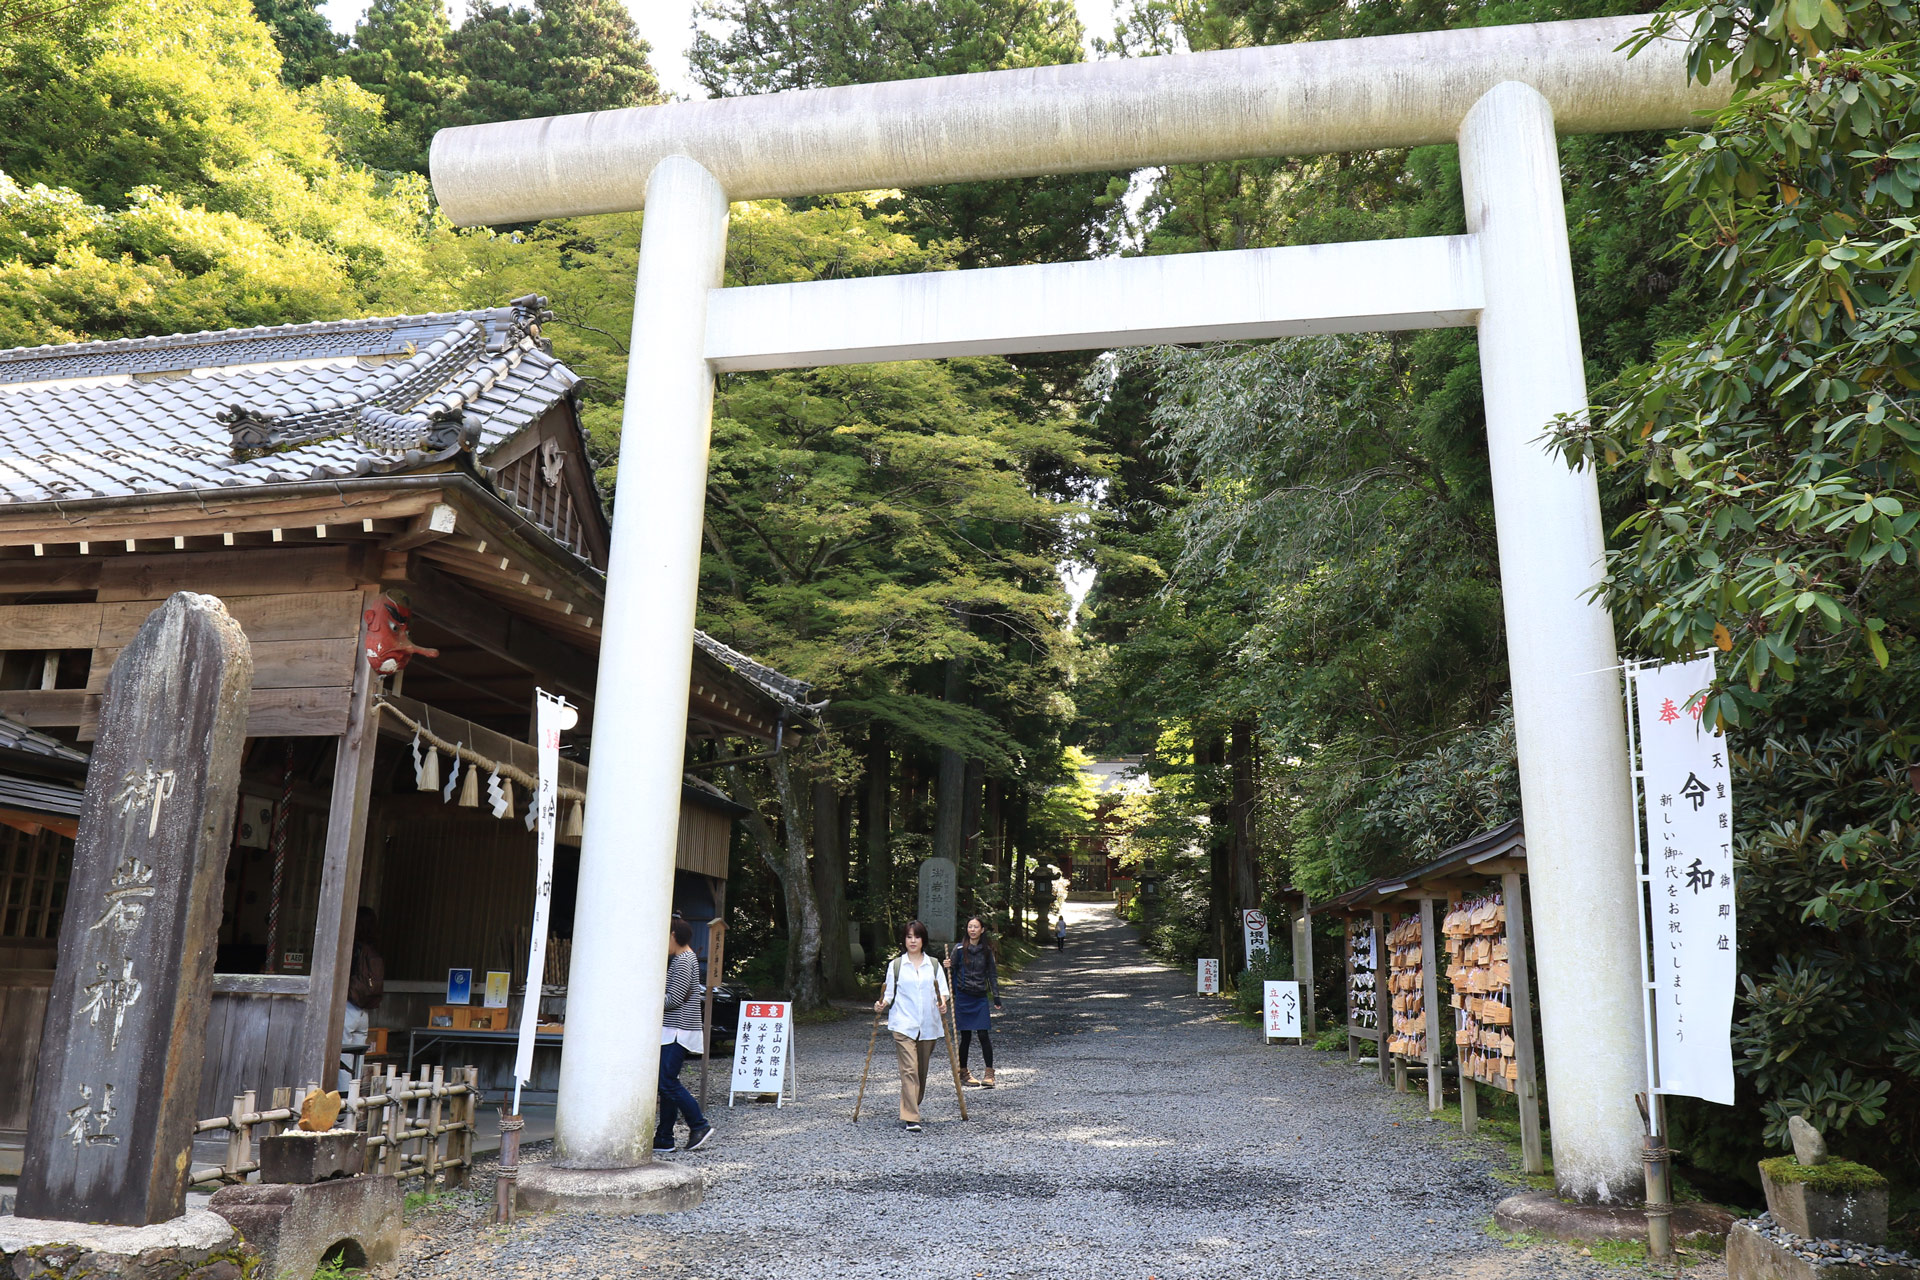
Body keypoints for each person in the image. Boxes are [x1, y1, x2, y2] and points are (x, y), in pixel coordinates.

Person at [874, 919, 950, 1132]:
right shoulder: (896, 965)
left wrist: (943, 1003)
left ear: (923, 939)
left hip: (928, 1025)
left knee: (921, 1072)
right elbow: (888, 995)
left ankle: (911, 1104)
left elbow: (943, 992)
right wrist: (881, 1004)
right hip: (903, 1024)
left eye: (916, 936)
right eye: (909, 937)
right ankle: (911, 1117)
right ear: (904, 940)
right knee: (909, 1070)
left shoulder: (933, 964)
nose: (913, 941)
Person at [655, 919, 713, 1154]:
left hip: (676, 1031)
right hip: (677, 1030)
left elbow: (674, 999)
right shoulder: (686, 958)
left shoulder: (682, 961)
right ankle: (664, 1138)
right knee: (666, 1083)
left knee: (666, 1082)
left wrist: (648, 999)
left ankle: (699, 1125)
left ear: (673, 935)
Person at [945, 914, 1002, 1087]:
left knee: (983, 1034)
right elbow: (950, 970)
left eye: (976, 927)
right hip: (963, 996)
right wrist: (947, 965)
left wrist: (996, 996)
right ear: (967, 929)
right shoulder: (959, 949)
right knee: (966, 1036)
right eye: (970, 927)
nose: (973, 930)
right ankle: (964, 1072)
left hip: (980, 997)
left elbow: (992, 974)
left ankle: (989, 1073)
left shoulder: (987, 951)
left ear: (982, 929)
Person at [340, 907, 383, 1089]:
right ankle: (356, 1102)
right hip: (363, 1012)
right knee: (359, 1060)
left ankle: (342, 1107)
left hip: (349, 1007)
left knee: (342, 1059)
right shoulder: (375, 949)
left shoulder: (353, 948)